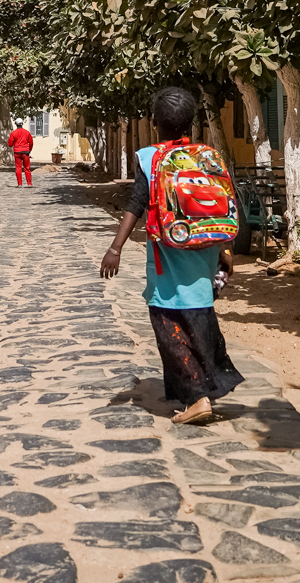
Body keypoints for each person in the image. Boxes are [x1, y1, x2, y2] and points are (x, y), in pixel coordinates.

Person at [99, 87, 243, 425]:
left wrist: (115, 248)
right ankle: (205, 387)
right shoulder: (205, 155)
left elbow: (137, 203)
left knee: (169, 323)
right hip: (206, 251)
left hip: (169, 255)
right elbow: (225, 202)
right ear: (191, 123)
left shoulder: (150, 158)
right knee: (200, 317)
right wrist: (226, 249)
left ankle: (197, 398)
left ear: (155, 122)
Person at [9, 120, 35, 187]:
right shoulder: (27, 132)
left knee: (18, 168)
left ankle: (19, 184)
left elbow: (10, 144)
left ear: (16, 124)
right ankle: (29, 183)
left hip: (17, 152)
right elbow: (31, 143)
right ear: (22, 124)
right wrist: (29, 150)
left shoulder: (13, 133)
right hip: (25, 152)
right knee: (27, 168)